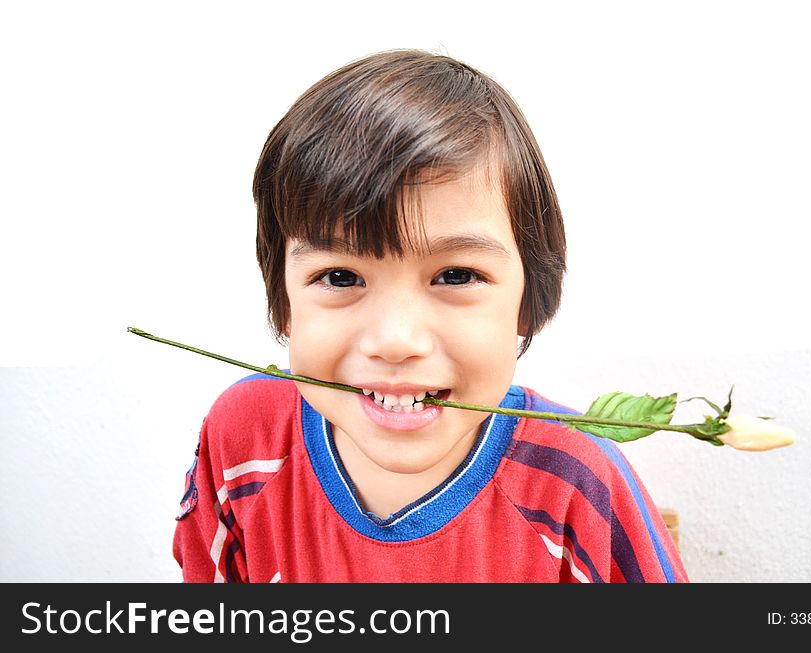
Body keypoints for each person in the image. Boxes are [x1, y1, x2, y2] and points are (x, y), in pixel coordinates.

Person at [173, 49, 688, 583]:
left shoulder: (576, 482)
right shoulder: (243, 441)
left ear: (529, 302)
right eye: (341, 278)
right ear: (282, 302)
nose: (396, 341)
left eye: (457, 276)